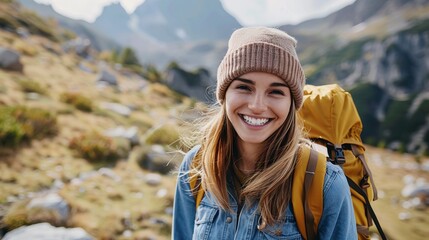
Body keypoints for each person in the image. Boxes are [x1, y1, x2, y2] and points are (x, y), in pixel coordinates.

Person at [172, 27, 357, 240]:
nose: (257, 106)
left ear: (291, 104)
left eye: (276, 92)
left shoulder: (326, 185)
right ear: (225, 94)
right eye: (244, 87)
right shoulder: (196, 166)